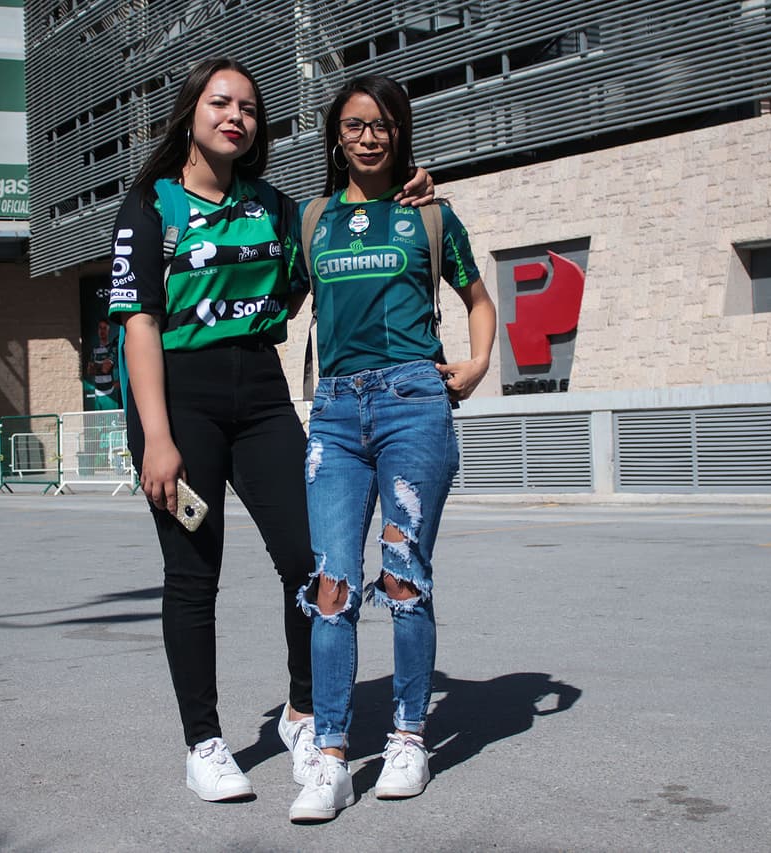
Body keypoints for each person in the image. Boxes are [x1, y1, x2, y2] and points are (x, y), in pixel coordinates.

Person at [106, 58, 433, 805]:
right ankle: (205, 741)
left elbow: (347, 243)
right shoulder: (148, 206)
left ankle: (300, 710)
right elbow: (140, 326)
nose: (236, 116)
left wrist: (413, 189)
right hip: (178, 399)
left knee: (312, 562)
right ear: (191, 112)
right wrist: (157, 437)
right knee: (194, 574)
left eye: (249, 108)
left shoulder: (282, 210)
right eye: (221, 102)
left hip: (260, 394)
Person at [288, 75, 496, 823]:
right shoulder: (311, 220)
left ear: (400, 132)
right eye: (354, 125)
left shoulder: (429, 216)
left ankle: (409, 736)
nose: (368, 136)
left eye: (381, 125)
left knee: (404, 575)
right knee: (333, 584)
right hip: (337, 414)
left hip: (415, 403)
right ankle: (333, 756)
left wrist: (472, 367)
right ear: (335, 136)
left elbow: (477, 298)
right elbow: (271, 301)